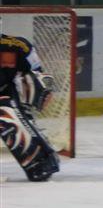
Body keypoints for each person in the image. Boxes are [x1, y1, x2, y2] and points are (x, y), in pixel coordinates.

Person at [0, 20, 59, 181]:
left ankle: (40, 158)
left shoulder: (17, 46)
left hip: (7, 97)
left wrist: (45, 90)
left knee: (8, 108)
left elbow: (38, 75)